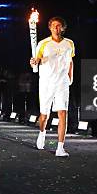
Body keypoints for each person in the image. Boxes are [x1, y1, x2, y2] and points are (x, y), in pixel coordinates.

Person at [30, 16, 75, 157]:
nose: (56, 28)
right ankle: (42, 133)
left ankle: (60, 148)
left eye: (59, 26)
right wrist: (34, 62)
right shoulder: (43, 44)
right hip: (46, 84)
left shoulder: (69, 44)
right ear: (50, 27)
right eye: (54, 26)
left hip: (62, 83)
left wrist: (70, 77)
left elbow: (70, 61)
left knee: (63, 113)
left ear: (63, 28)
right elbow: (35, 63)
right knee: (44, 116)